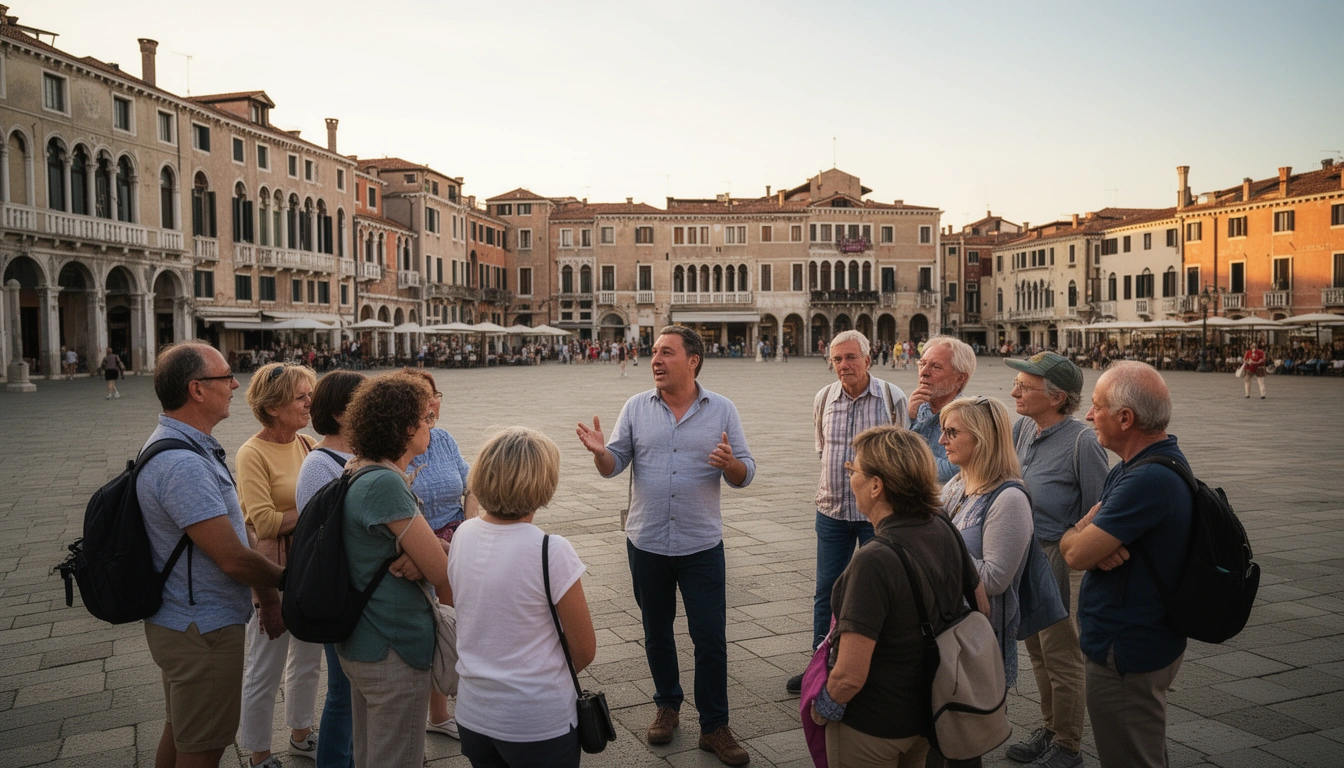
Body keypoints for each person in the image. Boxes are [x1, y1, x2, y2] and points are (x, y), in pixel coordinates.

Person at [576, 325, 755, 766]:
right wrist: (600, 453)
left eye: (667, 352)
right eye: (654, 351)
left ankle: (715, 725)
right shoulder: (636, 407)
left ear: (693, 360)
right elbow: (613, 465)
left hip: (701, 544)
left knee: (710, 637)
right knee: (656, 632)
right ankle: (667, 705)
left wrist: (731, 463)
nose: (655, 359)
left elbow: (746, 473)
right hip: (648, 541)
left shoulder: (722, 409)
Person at [137, 342, 286, 768]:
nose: (235, 384)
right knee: (203, 747)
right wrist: (290, 581)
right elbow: (233, 558)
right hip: (201, 628)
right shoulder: (183, 464)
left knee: (182, 732)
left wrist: (269, 599)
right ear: (197, 389)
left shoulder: (183, 445)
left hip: (184, 620)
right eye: (225, 376)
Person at [807, 426, 985, 768]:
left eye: (853, 469)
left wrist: (821, 709)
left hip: (874, 725)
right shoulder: (941, 523)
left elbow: (849, 675)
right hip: (927, 714)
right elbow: (982, 606)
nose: (850, 476)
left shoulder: (873, 560)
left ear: (876, 486)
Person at [1061, 362, 1192, 768]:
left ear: (1125, 418)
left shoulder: (1145, 480)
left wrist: (1080, 534)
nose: (1088, 415)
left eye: (1096, 406)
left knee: (1130, 755)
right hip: (1141, 639)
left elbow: (1074, 554)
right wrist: (1082, 537)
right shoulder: (1138, 466)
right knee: (1142, 747)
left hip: (1126, 648)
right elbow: (1078, 546)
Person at [450, 427, 597, 767]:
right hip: (536, 722)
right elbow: (584, 649)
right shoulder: (551, 550)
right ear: (543, 484)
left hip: (473, 712)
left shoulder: (463, 533)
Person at [785, 330, 910, 695]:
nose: (843, 365)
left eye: (851, 357)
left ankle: (874, 666)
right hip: (832, 509)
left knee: (880, 591)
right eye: (837, 359)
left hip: (878, 515)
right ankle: (820, 664)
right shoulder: (824, 398)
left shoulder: (891, 398)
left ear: (868, 359)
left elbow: (904, 453)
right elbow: (822, 448)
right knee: (827, 589)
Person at [338, 372, 452, 768]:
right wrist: (433, 555)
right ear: (405, 428)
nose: (431, 425)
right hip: (392, 647)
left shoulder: (359, 467)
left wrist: (425, 555)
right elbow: (442, 571)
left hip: (364, 640)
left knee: (371, 755)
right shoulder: (385, 483)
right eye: (426, 418)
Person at [1003, 354, 1108, 768]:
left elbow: (1099, 510)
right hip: (1026, 553)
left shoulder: (1083, 442)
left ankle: (1068, 745)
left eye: (1024, 387)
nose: (1015, 392)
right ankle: (1050, 729)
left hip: (1058, 556)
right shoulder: (1023, 429)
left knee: (1061, 654)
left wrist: (1075, 548)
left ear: (1057, 397)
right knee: (1036, 649)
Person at [934, 396, 1033, 768]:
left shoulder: (1009, 498)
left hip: (975, 641)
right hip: (947, 632)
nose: (942, 440)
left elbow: (994, 577)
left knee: (962, 743)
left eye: (952, 432)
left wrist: (940, 548)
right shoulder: (959, 483)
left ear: (982, 439)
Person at [236, 362, 321, 768]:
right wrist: (315, 509)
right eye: (300, 397)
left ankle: (301, 733)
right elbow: (264, 522)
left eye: (310, 394)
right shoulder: (251, 453)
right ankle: (259, 753)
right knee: (265, 665)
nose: (309, 403)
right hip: (274, 568)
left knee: (308, 658)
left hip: (309, 564)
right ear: (272, 407)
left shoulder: (307, 444)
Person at [294, 370, 367, 768]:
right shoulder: (320, 465)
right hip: (339, 591)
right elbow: (326, 536)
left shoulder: (355, 456)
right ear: (341, 414)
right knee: (342, 691)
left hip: (358, 590)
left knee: (354, 691)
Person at [402, 369, 478, 737]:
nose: (433, 404)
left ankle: (442, 711)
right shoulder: (395, 446)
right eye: (424, 397)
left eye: (436, 396)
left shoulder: (444, 439)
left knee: (453, 627)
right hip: (415, 548)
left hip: (456, 541)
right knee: (426, 632)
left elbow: (470, 484)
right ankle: (424, 716)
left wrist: (471, 526)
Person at [908, 336, 976, 482]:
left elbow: (953, 470)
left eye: (936, 367)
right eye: (922, 364)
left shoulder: (966, 418)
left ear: (960, 378)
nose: (923, 372)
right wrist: (910, 418)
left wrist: (907, 454)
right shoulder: (917, 409)